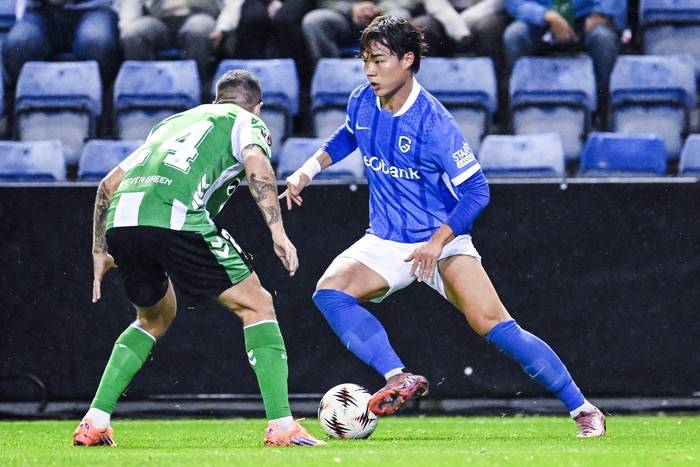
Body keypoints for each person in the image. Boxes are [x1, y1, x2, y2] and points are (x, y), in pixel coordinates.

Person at [280, 16, 606, 438]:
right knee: (330, 292)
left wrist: (437, 243)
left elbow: (477, 191)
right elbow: (349, 135)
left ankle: (583, 409)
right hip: (385, 238)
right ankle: (397, 376)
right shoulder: (362, 99)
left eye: (379, 60)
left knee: (495, 326)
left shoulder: (434, 123)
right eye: (365, 60)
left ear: (407, 60)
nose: (369, 70)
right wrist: (307, 170)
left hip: (441, 240)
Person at [72, 69, 326, 448]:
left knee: (154, 317)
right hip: (175, 215)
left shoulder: (172, 123)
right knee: (258, 305)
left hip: (122, 219)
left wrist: (99, 250)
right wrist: (277, 230)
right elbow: (255, 161)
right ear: (257, 107)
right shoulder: (246, 121)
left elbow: (107, 185)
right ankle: (282, 426)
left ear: (215, 99)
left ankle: (94, 422)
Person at [502, 0, 626, 128]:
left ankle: (604, 116)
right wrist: (545, 15)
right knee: (515, 36)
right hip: (542, 21)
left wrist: (601, 12)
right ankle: (522, 114)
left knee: (603, 38)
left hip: (586, 17)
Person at [118, 0, 272, 101]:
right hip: (160, 18)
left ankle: (195, 100)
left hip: (201, 15)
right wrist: (127, 27)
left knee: (197, 32)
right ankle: (147, 102)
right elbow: (130, 5)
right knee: (133, 36)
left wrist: (223, 26)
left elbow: (233, 4)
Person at [1, 0, 120, 86]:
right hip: (40, 9)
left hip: (94, 7)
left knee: (97, 43)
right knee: (19, 45)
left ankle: (100, 107)